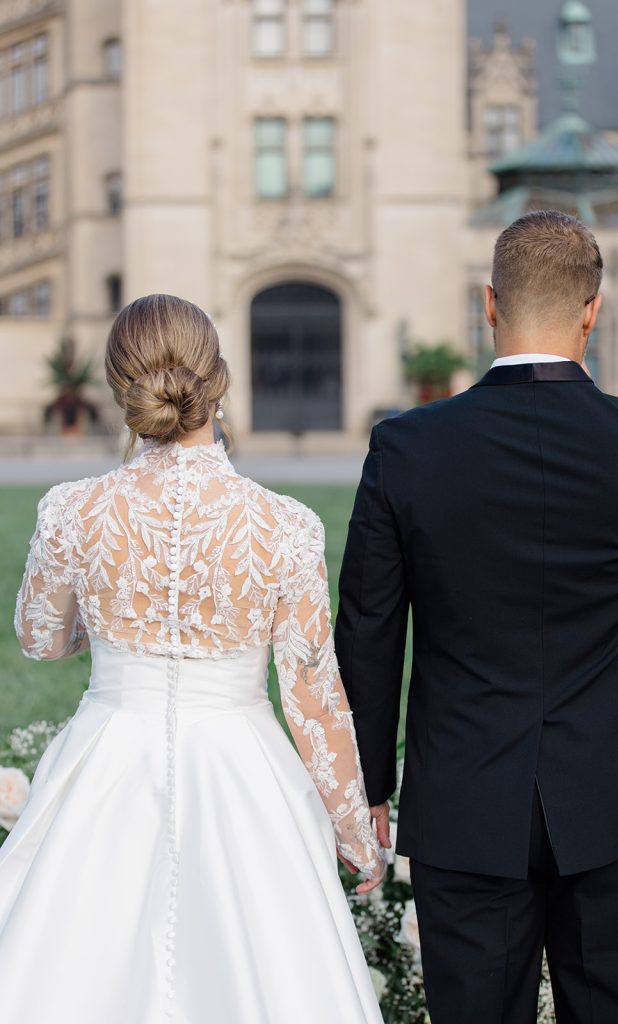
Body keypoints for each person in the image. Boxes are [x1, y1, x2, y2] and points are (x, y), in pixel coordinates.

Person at [335, 210, 618, 1023]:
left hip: (464, 790)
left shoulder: (406, 448)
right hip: (617, 783)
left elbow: (368, 626)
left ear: (487, 305)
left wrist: (369, 783)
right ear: (592, 311)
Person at [0, 294, 388, 1024]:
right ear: (221, 379)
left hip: (109, 755)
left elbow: (40, 638)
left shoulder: (72, 510)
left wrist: (114, 617)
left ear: (121, 388)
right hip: (243, 770)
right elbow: (310, 692)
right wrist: (351, 828)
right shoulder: (285, 525)